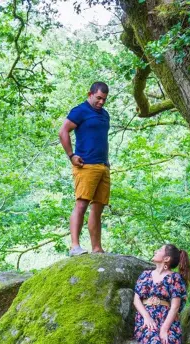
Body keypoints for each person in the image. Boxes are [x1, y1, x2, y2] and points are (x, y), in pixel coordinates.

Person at [58, 82, 111, 256]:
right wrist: (71, 155)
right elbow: (63, 131)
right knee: (81, 204)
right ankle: (75, 246)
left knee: (98, 207)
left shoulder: (105, 115)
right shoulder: (80, 111)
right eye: (99, 98)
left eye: (104, 99)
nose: (101, 102)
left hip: (103, 166)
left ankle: (97, 248)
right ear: (90, 94)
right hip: (86, 165)